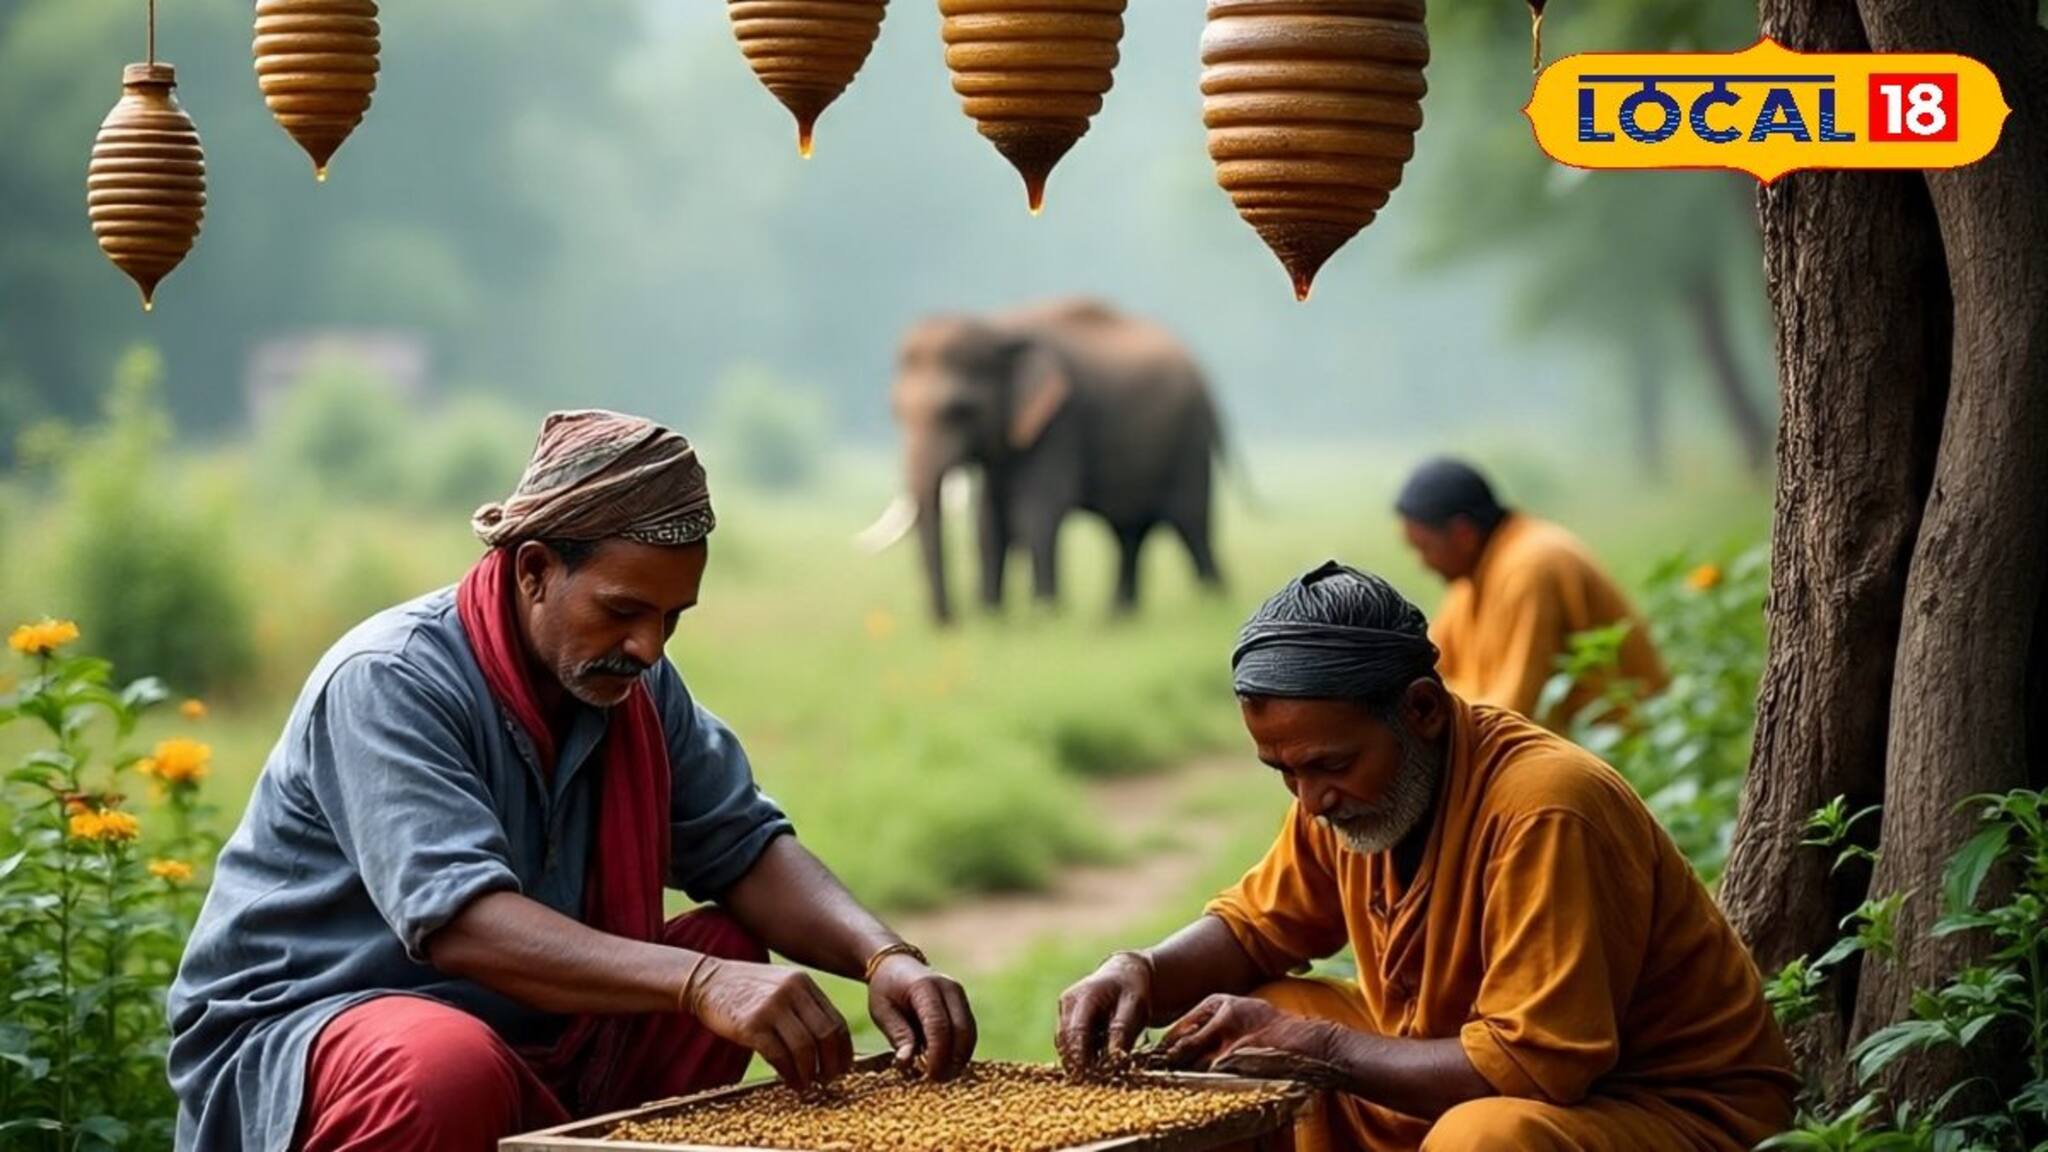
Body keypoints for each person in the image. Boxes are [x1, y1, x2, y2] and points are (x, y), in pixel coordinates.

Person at [168, 410, 976, 1152]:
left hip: (535, 1030)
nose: (649, 647)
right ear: (533, 570)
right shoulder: (391, 678)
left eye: (671, 618)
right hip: (318, 1029)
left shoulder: (633, 685)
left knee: (731, 948)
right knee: (449, 1068)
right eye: (623, 611)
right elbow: (462, 924)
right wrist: (699, 983)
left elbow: (742, 846)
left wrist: (884, 958)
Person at [1055, 562, 1795, 1152]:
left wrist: (1320, 1047)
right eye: (1284, 772)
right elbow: (1253, 931)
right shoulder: (1343, 796)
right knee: (1257, 1022)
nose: (1311, 800)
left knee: (1484, 1140)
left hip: (1653, 1112)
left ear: (1422, 710)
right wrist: (1139, 970)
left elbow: (1539, 1067)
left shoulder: (1547, 807)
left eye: (1328, 765)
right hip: (1459, 1080)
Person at [1394, 458, 1666, 727]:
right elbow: (1424, 668)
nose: (1422, 563)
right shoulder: (1470, 579)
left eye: (1425, 548)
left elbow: (1515, 711)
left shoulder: (1532, 565)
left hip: (1629, 740)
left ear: (1463, 534)